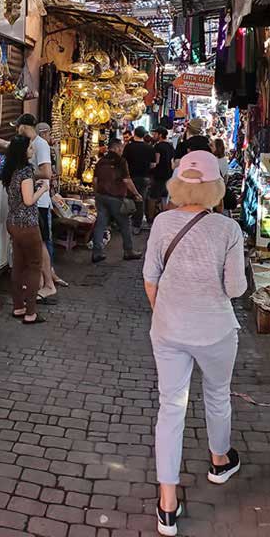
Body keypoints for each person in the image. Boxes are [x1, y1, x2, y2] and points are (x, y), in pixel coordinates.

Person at [143, 151, 247, 536]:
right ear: (215, 186)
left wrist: (165, 311)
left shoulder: (162, 222)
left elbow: (150, 277)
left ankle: (167, 505)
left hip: (168, 329)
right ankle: (219, 461)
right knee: (218, 395)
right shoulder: (227, 230)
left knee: (170, 407)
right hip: (216, 330)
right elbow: (236, 288)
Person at [0, 114, 58, 303]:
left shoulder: (38, 146)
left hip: (35, 206)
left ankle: (47, 284)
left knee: (39, 247)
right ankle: (40, 284)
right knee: (33, 251)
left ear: (24, 127)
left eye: (18, 128)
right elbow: (12, 146)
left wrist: (27, 177)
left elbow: (47, 173)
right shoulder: (28, 147)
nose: (16, 131)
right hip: (28, 209)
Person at [0, 135, 49, 324]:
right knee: (34, 267)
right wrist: (43, 190)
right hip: (27, 225)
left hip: (13, 223)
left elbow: (20, 195)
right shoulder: (26, 172)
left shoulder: (11, 170)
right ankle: (31, 313)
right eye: (30, 148)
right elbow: (28, 201)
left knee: (18, 266)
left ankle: (18, 307)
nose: (33, 150)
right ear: (23, 151)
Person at [92, 138, 143, 263]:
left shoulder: (101, 162)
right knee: (125, 224)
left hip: (101, 196)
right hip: (116, 197)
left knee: (100, 224)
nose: (121, 151)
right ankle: (128, 250)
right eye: (120, 149)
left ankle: (96, 252)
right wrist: (136, 194)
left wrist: (96, 193)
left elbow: (95, 181)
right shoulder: (121, 161)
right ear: (116, 148)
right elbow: (126, 180)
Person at [36, 122, 68, 288]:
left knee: (44, 239)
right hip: (40, 200)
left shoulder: (45, 149)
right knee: (44, 239)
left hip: (45, 199)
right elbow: (51, 173)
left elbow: (58, 171)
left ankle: (48, 275)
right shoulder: (39, 147)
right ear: (45, 133)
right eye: (49, 134)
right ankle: (48, 276)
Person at [123, 125, 155, 234]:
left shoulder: (129, 147)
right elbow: (153, 165)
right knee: (140, 201)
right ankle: (136, 226)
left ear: (134, 134)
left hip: (130, 177)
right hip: (144, 178)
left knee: (127, 199)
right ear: (144, 135)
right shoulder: (150, 148)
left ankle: (124, 224)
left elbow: (124, 162)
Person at [147, 127, 174, 223]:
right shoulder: (170, 146)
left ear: (160, 135)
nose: (154, 136)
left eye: (155, 134)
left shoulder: (158, 147)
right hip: (168, 175)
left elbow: (156, 162)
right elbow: (172, 162)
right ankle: (164, 219)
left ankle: (150, 219)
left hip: (158, 175)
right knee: (164, 197)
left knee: (152, 197)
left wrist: (149, 168)